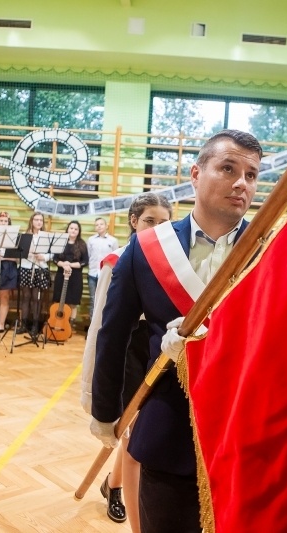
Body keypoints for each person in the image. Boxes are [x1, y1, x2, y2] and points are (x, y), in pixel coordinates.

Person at [90, 130, 262, 533]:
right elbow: (112, 336)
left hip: (243, 432)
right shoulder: (146, 248)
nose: (242, 183)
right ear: (196, 174)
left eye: (252, 175)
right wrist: (104, 411)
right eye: (228, 168)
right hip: (169, 431)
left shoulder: (269, 246)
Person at [82, 193, 172, 531]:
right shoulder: (117, 259)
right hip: (129, 358)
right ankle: (129, 511)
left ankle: (112, 485)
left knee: (139, 439)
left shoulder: (175, 260)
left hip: (163, 355)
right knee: (134, 442)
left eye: (164, 223)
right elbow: (103, 328)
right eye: (150, 221)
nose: (157, 229)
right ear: (134, 221)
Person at [16, 211, 51, 336]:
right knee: (26, 297)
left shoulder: (46, 236)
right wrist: (27, 253)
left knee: (37, 298)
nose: (39, 222)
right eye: (36, 219)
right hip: (26, 267)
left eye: (41, 220)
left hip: (39, 268)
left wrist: (44, 257)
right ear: (32, 221)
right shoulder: (25, 236)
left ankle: (36, 325)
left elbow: (52, 253)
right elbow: (19, 253)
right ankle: (23, 324)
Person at [51, 220, 88, 331]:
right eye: (71, 228)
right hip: (61, 274)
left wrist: (70, 265)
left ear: (79, 231)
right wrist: (63, 264)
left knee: (73, 302)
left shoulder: (82, 244)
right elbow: (55, 259)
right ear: (67, 229)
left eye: (76, 229)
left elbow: (85, 261)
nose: (73, 230)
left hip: (75, 276)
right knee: (58, 300)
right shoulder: (60, 241)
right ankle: (57, 323)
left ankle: (70, 326)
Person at [86, 217, 118, 321]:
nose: (99, 226)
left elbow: (115, 258)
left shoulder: (113, 241)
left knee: (105, 300)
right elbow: (89, 255)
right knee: (92, 300)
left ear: (106, 226)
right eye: (97, 225)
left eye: (101, 224)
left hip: (106, 275)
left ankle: (102, 327)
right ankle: (92, 328)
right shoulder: (91, 240)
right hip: (92, 274)